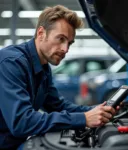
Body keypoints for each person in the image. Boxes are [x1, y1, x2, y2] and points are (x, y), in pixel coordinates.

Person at [0, 5, 117, 149]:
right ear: (41, 33)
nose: (65, 49)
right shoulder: (11, 63)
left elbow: (59, 106)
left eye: (69, 43)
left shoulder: (44, 68)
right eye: (61, 39)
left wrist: (95, 111)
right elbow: (22, 122)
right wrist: (84, 119)